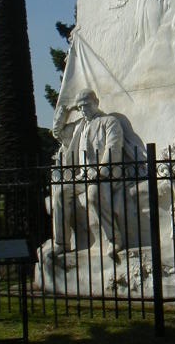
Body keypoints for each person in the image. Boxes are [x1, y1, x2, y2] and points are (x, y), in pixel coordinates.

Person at [51, 89, 125, 260]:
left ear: (96, 102)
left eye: (86, 105)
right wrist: (65, 111)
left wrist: (102, 172)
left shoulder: (109, 122)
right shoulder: (79, 126)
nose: (83, 109)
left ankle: (114, 239)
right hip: (82, 177)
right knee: (61, 193)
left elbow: (113, 147)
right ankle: (61, 243)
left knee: (94, 195)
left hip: (103, 175)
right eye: (80, 107)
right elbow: (58, 133)